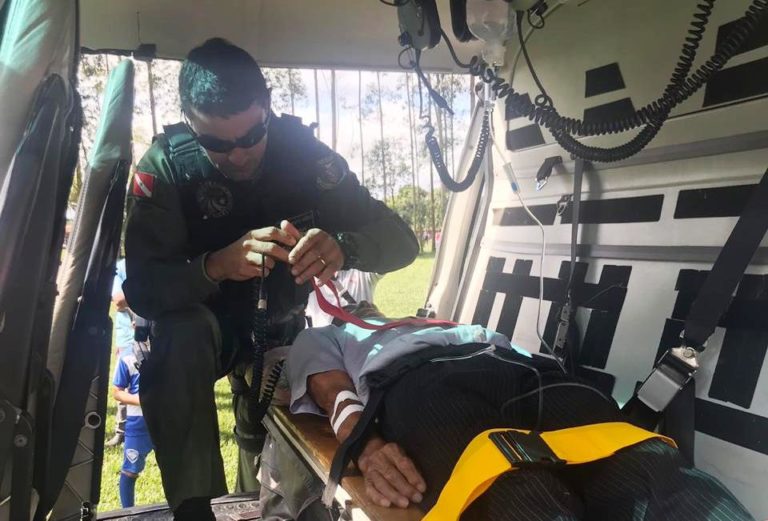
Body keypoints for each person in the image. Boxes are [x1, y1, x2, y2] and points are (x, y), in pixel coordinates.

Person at [122, 38, 419, 519]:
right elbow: (142, 289)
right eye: (217, 143)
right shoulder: (167, 166)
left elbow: (403, 241)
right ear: (189, 121)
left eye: (251, 136)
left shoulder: (305, 154)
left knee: (261, 442)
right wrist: (214, 266)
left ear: (267, 109)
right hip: (204, 334)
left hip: (281, 331)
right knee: (180, 334)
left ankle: (261, 500)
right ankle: (192, 510)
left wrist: (345, 245)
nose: (238, 155)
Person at [285, 302, 755, 521]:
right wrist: (365, 446)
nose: (360, 304)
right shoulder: (337, 334)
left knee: (643, 463)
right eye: (351, 304)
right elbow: (332, 392)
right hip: (419, 381)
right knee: (517, 490)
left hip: (521, 369)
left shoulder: (447, 318)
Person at [112, 328, 153, 508]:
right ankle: (127, 511)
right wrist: (139, 400)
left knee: (174, 468)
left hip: (167, 421)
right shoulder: (128, 356)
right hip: (138, 424)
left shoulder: (170, 350)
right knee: (130, 471)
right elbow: (117, 392)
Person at [106, 258, 134, 448]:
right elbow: (119, 300)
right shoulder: (121, 266)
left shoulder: (159, 257)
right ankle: (121, 432)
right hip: (128, 339)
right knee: (123, 386)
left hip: (157, 335)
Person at [304, 269, 383, 327]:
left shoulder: (359, 271)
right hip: (325, 346)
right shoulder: (304, 278)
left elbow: (389, 258)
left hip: (365, 341)